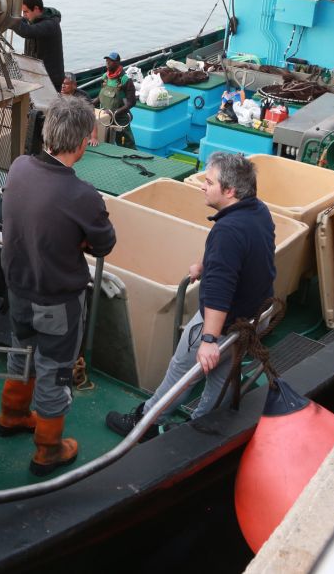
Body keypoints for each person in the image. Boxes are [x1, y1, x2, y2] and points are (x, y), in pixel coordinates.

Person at [105, 152, 275, 439]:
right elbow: (243, 257)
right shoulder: (257, 211)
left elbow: (221, 290)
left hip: (224, 325)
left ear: (230, 191)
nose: (202, 186)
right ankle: (197, 430)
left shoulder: (228, 230)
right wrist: (206, 264)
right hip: (251, 319)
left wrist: (209, 339)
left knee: (181, 375)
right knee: (221, 378)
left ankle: (144, 424)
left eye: (209, 182)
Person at [0, 95, 116, 475]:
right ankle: (48, 448)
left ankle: (12, 414)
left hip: (18, 290)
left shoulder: (18, 168)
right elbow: (104, 244)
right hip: (58, 303)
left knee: (21, 352)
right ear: (83, 143)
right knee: (55, 370)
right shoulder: (83, 196)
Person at [11, 0, 65, 91]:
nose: (24, 15)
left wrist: (9, 21)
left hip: (50, 81)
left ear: (36, 9)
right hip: (37, 76)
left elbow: (27, 31)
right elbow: (21, 21)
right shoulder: (33, 20)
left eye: (26, 12)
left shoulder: (50, 25)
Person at [97, 51, 137, 149]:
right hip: (105, 118)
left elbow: (131, 103)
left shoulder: (125, 80)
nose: (108, 63)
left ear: (117, 62)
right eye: (107, 61)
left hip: (120, 119)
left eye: (110, 61)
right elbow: (100, 97)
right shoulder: (105, 77)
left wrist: (114, 113)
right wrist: (88, 103)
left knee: (126, 145)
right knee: (105, 142)